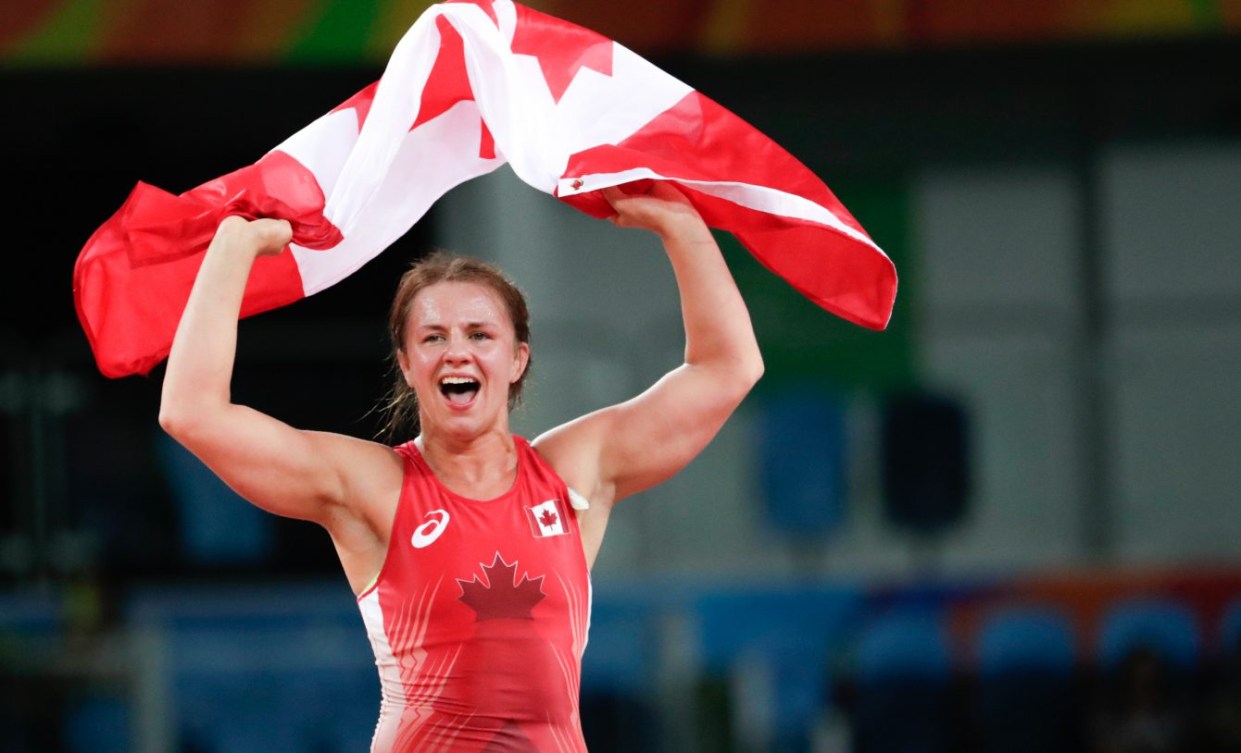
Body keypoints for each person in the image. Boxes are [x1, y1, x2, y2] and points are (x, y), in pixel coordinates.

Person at [158, 181, 764, 752]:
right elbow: (192, 412)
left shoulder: (575, 471)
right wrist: (232, 248)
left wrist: (682, 226)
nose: (457, 351)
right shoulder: (373, 486)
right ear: (407, 362)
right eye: (433, 337)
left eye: (480, 334)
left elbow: (727, 368)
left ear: (517, 358)